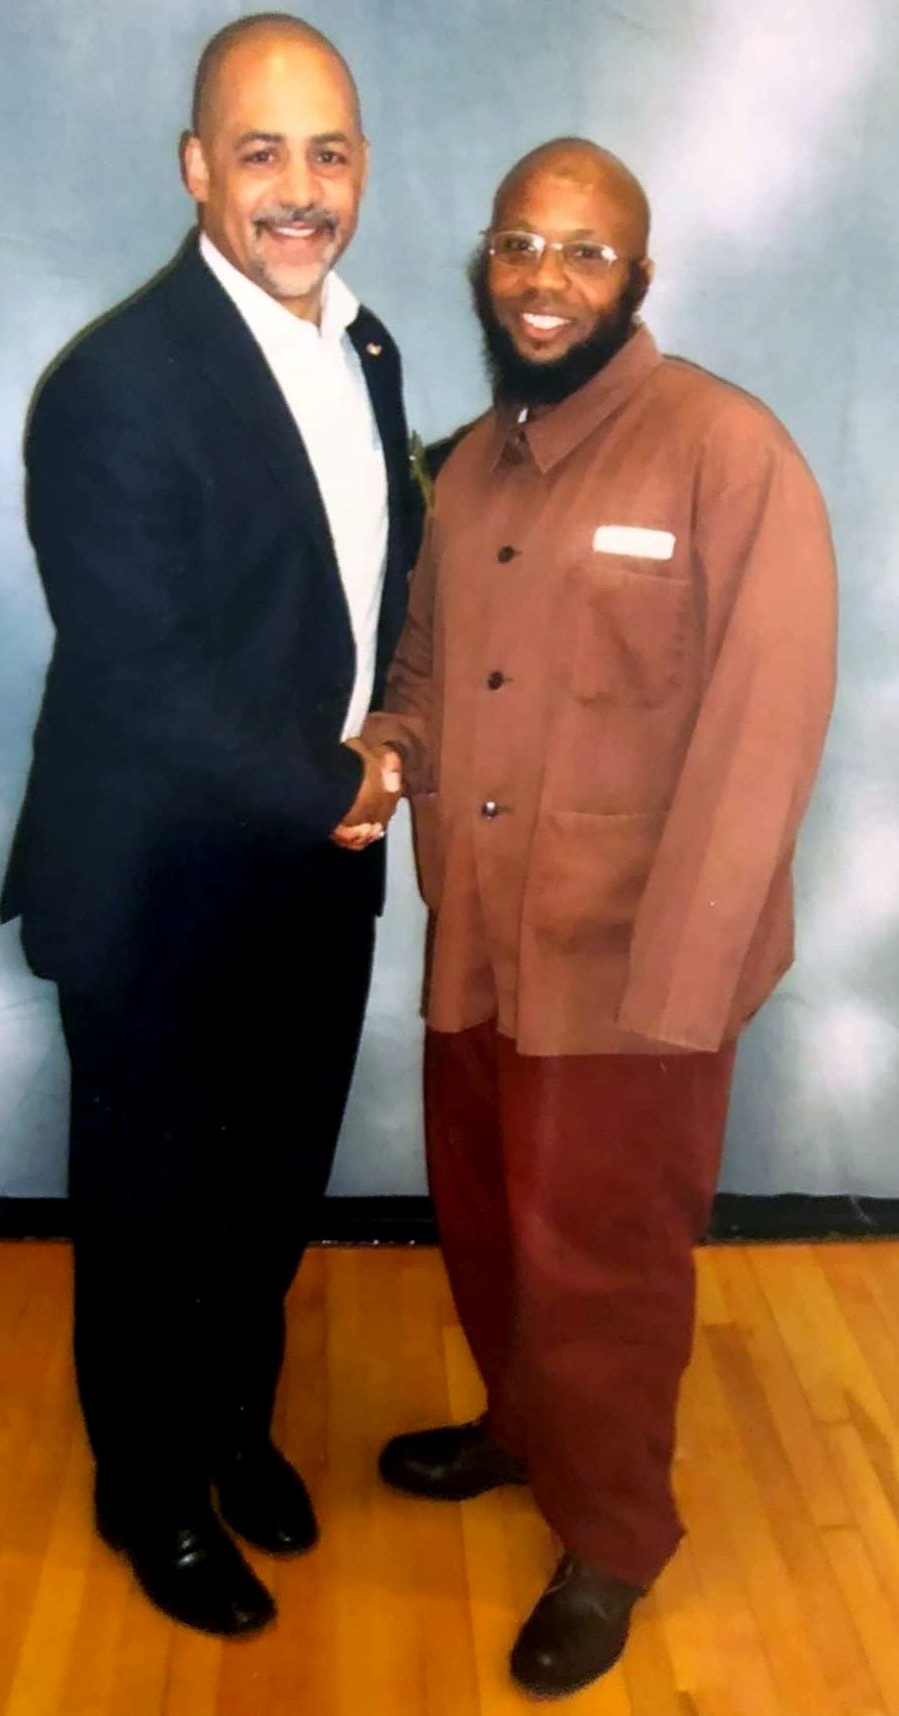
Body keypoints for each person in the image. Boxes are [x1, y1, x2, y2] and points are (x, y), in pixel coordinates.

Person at [362, 138, 836, 1697]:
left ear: (638, 277)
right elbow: (427, 670)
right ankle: (520, 1431)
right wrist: (388, 751)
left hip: (635, 970)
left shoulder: (725, 452)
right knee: (491, 1220)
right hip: (484, 938)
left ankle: (617, 1534)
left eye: (583, 253)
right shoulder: (468, 464)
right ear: (484, 268)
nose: (544, 281)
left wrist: (688, 984)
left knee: (608, 1265)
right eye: (518, 247)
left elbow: (768, 728)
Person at [0, 13, 415, 1637]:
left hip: (317, 883)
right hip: (160, 888)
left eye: (328, 152)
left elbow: (356, 590)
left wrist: (394, 730)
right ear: (196, 169)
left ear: (361, 169)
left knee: (273, 1189)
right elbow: (146, 677)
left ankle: (232, 1426)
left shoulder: (366, 347)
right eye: (261, 151)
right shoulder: (113, 384)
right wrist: (348, 781)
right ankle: (149, 1491)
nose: (298, 189)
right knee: (153, 1206)